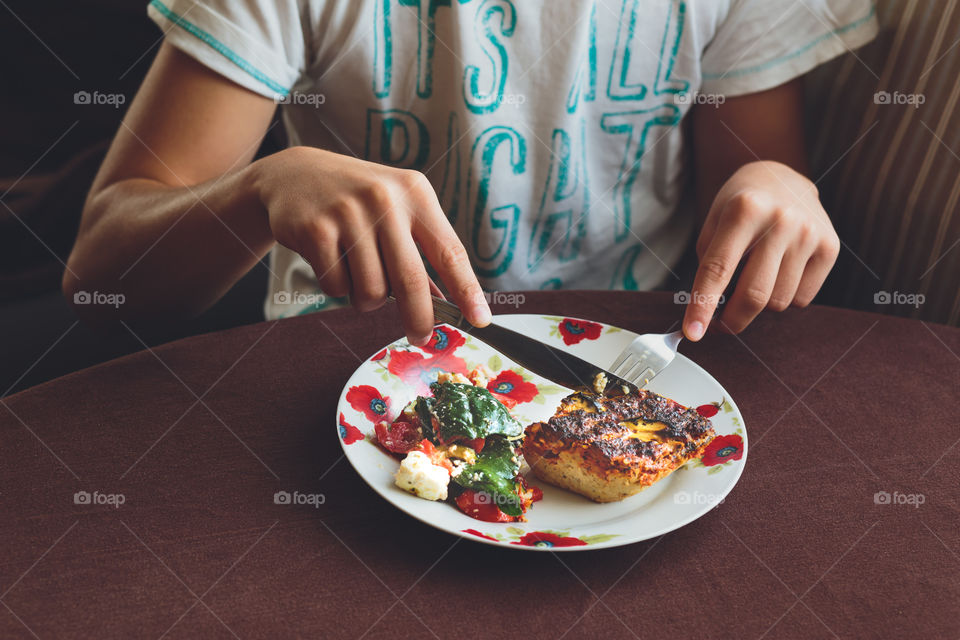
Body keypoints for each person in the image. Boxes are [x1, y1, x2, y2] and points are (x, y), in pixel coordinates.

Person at [64, 0, 877, 346]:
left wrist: (779, 189)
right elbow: (103, 273)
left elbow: (755, 190)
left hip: (628, 362)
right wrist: (259, 188)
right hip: (334, 376)